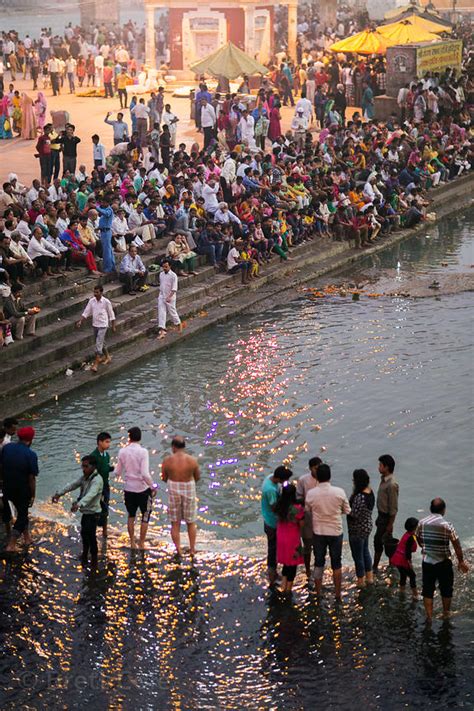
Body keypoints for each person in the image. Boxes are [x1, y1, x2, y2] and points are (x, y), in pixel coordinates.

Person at [416, 498, 469, 622]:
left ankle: (429, 617)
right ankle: (446, 613)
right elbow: (456, 544)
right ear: (443, 510)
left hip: (427, 562)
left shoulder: (421, 523)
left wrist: (425, 547)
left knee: (428, 589)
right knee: (446, 589)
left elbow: (418, 537)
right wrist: (461, 561)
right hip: (443, 562)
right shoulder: (447, 526)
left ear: (431, 509)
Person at [305, 463, 351, 601]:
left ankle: (318, 593)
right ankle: (337, 594)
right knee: (336, 563)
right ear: (330, 476)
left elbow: (307, 509)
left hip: (318, 532)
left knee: (319, 562)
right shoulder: (339, 492)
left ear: (317, 477)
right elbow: (347, 510)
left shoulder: (311, 494)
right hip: (335, 532)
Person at [52, 455, 103, 567]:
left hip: (93, 513)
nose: (83, 469)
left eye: (86, 466)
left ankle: (94, 561)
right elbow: (72, 485)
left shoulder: (97, 480)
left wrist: (79, 504)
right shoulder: (85, 477)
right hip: (86, 512)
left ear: (93, 467)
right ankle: (85, 555)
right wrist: (59, 493)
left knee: (91, 536)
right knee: (84, 534)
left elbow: (91, 494)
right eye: (82, 466)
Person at [115, 426, 157, 549]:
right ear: (140, 437)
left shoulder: (122, 452)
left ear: (129, 437)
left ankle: (132, 542)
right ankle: (142, 543)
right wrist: (153, 486)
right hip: (142, 489)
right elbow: (145, 474)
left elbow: (117, 472)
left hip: (129, 489)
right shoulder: (143, 452)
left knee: (131, 515)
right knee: (145, 516)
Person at [161, 436, 201, 557]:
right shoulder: (192, 460)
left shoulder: (167, 461)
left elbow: (164, 478)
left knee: (175, 522)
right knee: (191, 522)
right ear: (184, 447)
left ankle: (178, 550)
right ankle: (192, 549)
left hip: (174, 488)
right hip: (188, 487)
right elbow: (197, 477)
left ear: (173, 447)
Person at [1, 426, 39, 552]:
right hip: (21, 490)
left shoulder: (7, 447)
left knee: (23, 512)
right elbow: (31, 478)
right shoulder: (31, 454)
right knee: (22, 516)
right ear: (31, 439)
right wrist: (33, 495)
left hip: (6, 487)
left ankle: (27, 538)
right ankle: (11, 545)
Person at [261, 465, 293, 586]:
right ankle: (272, 574)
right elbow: (275, 508)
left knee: (273, 547)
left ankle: (273, 571)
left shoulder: (270, 478)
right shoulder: (270, 490)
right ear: (279, 478)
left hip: (268, 519)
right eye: (285, 480)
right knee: (273, 548)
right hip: (272, 522)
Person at [76, 285, 116, 372]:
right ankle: (108, 357)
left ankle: (95, 364)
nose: (95, 294)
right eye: (94, 292)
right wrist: (80, 321)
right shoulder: (92, 301)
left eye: (97, 292)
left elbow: (111, 314)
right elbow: (86, 312)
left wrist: (113, 326)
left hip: (103, 325)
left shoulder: (106, 302)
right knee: (101, 343)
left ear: (101, 292)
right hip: (95, 325)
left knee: (98, 344)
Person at [347, 468, 375, 588]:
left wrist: (346, 510)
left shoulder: (359, 496)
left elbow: (354, 514)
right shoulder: (370, 492)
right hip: (367, 526)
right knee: (365, 552)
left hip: (357, 529)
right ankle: (370, 577)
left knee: (357, 556)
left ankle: (360, 581)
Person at [275, 482, 305, 594]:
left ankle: (283, 585)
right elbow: (301, 524)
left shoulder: (279, 506)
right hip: (292, 538)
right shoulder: (297, 508)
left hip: (281, 536)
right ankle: (288, 589)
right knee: (293, 565)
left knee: (286, 563)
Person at [296, 456, 321, 583]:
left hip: (320, 518)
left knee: (319, 546)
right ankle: (307, 570)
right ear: (311, 468)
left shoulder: (324, 479)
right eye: (316, 468)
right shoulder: (303, 480)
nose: (318, 470)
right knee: (307, 546)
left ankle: (317, 569)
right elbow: (298, 499)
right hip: (307, 517)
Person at [373, 454, 399, 572]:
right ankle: (390, 565)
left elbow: (393, 507)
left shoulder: (391, 484)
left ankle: (375, 567)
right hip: (381, 515)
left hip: (386, 517)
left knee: (379, 541)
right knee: (386, 541)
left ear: (386, 467)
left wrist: (390, 524)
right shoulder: (384, 480)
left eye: (380, 465)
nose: (379, 467)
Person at [90, 431, 114, 538]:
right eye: (106, 442)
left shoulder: (107, 455)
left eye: (109, 442)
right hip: (96, 487)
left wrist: (113, 468)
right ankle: (93, 530)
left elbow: (106, 469)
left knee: (105, 508)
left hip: (105, 486)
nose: (108, 444)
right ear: (100, 442)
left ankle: (104, 530)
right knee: (95, 509)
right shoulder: (93, 456)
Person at [390, 517, 419, 598]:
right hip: (403, 560)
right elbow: (408, 552)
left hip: (397, 558)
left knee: (403, 575)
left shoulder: (407, 534)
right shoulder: (411, 538)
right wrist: (410, 563)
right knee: (412, 575)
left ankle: (402, 591)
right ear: (415, 528)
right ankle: (415, 595)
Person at [157, 259, 182, 339]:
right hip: (162, 295)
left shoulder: (173, 275)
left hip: (170, 296)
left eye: (166, 267)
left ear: (170, 266)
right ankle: (162, 329)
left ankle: (178, 324)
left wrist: (169, 297)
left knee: (172, 311)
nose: (164, 268)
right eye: (163, 267)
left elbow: (174, 288)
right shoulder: (161, 274)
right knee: (161, 312)